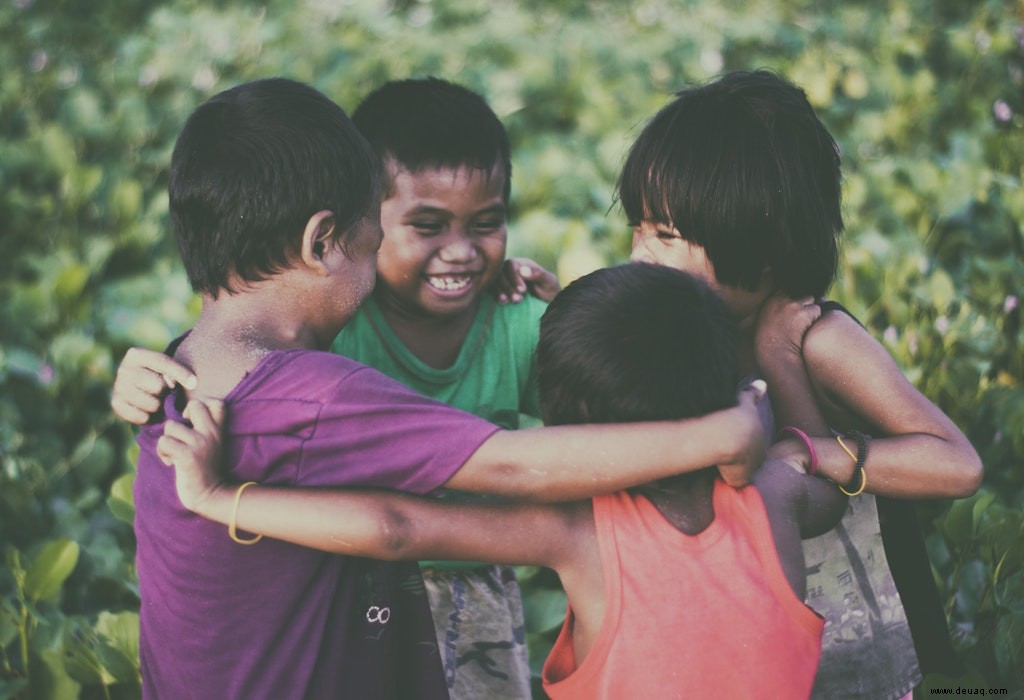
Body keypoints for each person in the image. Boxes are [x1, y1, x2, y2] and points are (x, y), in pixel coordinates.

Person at [129, 76, 768, 700]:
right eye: (372, 227)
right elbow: (513, 466)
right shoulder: (315, 395)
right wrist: (721, 433)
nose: (380, 242)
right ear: (322, 241)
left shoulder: (180, 371)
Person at [157, 262, 847, 699]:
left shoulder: (578, 533)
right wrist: (773, 372)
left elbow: (395, 528)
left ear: (564, 424)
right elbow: (818, 471)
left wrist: (219, 498)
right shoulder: (776, 494)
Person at [117, 76, 554, 699]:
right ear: (329, 239)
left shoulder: (514, 322)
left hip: (446, 584)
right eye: (421, 226)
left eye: (485, 225)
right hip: (377, 583)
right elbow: (417, 512)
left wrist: (570, 313)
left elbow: (592, 397)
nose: (459, 253)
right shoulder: (325, 349)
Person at [618, 69, 983, 699]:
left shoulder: (822, 340)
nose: (639, 254)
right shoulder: (681, 328)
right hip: (757, 639)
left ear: (763, 259)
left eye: (666, 236)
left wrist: (808, 424)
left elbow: (956, 466)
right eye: (640, 226)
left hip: (871, 641)